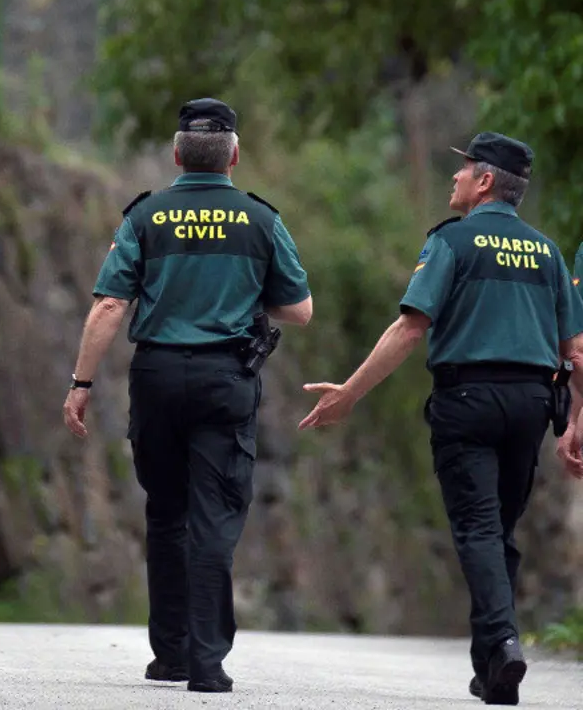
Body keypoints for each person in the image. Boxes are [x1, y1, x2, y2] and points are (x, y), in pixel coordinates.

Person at [298, 131, 583, 706]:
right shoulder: (548, 253)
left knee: (478, 528)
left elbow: (409, 327)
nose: (452, 177)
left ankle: (503, 643)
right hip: (532, 405)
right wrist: (577, 419)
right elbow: (575, 350)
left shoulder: (452, 242)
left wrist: (350, 394)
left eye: (464, 169)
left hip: (468, 401)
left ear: (485, 183)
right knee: (497, 530)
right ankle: (492, 670)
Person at [62, 97, 313, 693]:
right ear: (234, 155)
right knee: (214, 519)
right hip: (226, 382)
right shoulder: (261, 220)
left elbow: (110, 305)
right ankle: (207, 661)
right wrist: (247, 292)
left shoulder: (144, 216)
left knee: (167, 514)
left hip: (158, 379)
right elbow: (299, 310)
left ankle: (170, 655)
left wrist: (81, 384)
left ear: (177, 154)